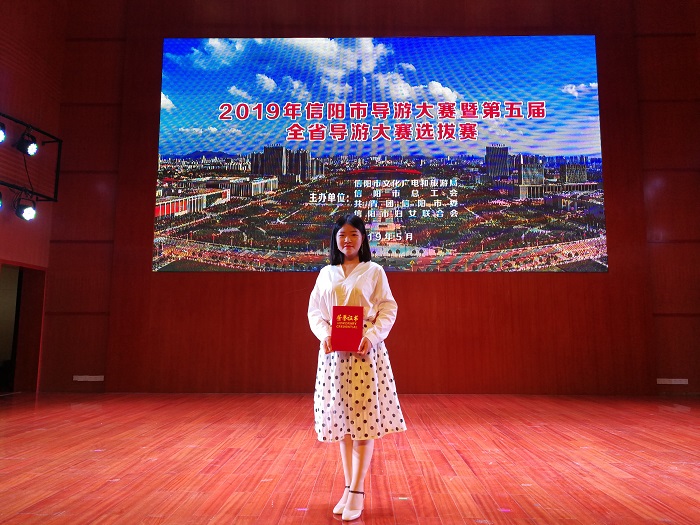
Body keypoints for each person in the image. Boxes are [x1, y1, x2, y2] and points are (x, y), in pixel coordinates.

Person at [308, 214, 406, 521]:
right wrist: (324, 335)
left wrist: (372, 336)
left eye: (353, 234)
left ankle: (357, 491)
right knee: (343, 425)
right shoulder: (326, 273)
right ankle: (348, 488)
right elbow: (315, 312)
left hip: (364, 353)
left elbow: (388, 308)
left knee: (362, 422)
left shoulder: (374, 271)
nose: (347, 240)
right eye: (342, 235)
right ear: (335, 240)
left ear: (363, 238)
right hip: (335, 354)